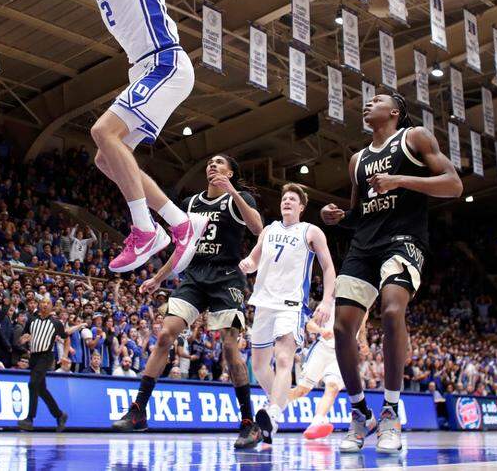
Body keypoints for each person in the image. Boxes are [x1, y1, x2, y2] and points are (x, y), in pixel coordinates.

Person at [40, 0, 207, 276]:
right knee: (106, 156)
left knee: (102, 131)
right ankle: (178, 222)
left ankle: (144, 229)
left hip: (166, 61)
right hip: (147, 69)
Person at [320, 92, 462, 454]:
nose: (367, 104)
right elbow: (360, 212)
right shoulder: (357, 160)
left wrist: (401, 180)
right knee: (341, 327)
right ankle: (359, 412)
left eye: (377, 100)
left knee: (393, 311)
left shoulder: (414, 138)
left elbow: (453, 184)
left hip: (403, 239)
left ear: (395, 111)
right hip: (364, 245)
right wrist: (339, 218)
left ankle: (390, 411)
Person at [114, 154, 263, 448]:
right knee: (165, 334)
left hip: (226, 277)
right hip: (195, 276)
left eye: (220, 163)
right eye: (209, 162)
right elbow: (184, 247)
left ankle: (249, 423)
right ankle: (138, 411)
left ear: (231, 173)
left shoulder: (239, 198)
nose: (212, 165)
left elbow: (258, 228)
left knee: (231, 349)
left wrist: (233, 192)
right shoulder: (191, 204)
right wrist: (159, 277)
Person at [238, 184, 336, 445]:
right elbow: (254, 259)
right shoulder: (269, 230)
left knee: (283, 359)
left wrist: (326, 301)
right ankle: (279, 405)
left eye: (293, 199)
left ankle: (273, 413)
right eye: (284, 198)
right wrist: (248, 264)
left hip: (291, 305)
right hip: (263, 303)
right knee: (258, 366)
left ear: (301, 207)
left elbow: (328, 268)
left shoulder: (311, 231)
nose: (287, 202)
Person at [290, 311, 369, 439]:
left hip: (343, 352)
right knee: (301, 391)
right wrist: (321, 330)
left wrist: (363, 343)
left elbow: (362, 330)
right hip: (322, 349)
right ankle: (273, 403)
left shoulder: (364, 308)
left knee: (332, 387)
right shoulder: (330, 301)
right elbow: (310, 325)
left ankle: (317, 422)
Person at [17, 299, 68, 432]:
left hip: (46, 357)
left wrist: (65, 355)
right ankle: (60, 415)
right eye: (43, 302)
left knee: (32, 384)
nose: (45, 305)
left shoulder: (57, 323)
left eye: (47, 303)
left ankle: (29, 419)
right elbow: (24, 337)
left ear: (51, 306)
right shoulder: (31, 320)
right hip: (33, 356)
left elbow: (66, 337)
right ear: (39, 305)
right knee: (41, 390)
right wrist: (23, 340)